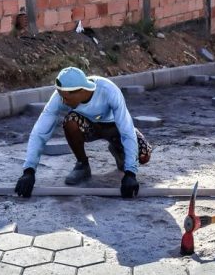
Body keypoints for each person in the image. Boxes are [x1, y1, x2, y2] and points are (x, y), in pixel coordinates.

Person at [14, 67, 152, 199]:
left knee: (144, 155)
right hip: (89, 128)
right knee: (70, 121)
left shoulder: (109, 91)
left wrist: (130, 173)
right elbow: (40, 130)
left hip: (115, 128)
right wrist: (29, 170)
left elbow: (127, 131)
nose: (63, 101)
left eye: (66, 98)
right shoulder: (61, 95)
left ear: (79, 91)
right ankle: (82, 165)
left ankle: (118, 150)